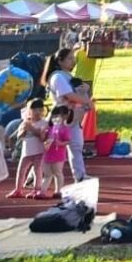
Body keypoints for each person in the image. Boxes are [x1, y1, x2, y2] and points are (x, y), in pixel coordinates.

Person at [43, 47, 90, 182]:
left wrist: (83, 89)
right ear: (60, 61)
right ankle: (34, 176)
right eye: (70, 58)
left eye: (74, 58)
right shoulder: (57, 77)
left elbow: (75, 93)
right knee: (50, 148)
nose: (73, 61)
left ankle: (80, 176)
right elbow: (68, 95)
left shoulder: (68, 76)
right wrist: (87, 101)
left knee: (76, 146)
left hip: (73, 116)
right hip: (60, 118)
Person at [7, 98, 47, 198]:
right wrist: (23, 130)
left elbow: (43, 138)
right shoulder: (25, 122)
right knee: (21, 170)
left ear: (43, 110)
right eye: (34, 110)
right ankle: (18, 190)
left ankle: (36, 189)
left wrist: (33, 129)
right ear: (29, 111)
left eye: (39, 109)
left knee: (38, 171)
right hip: (26, 151)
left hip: (39, 151)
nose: (37, 112)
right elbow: (19, 136)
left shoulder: (44, 123)